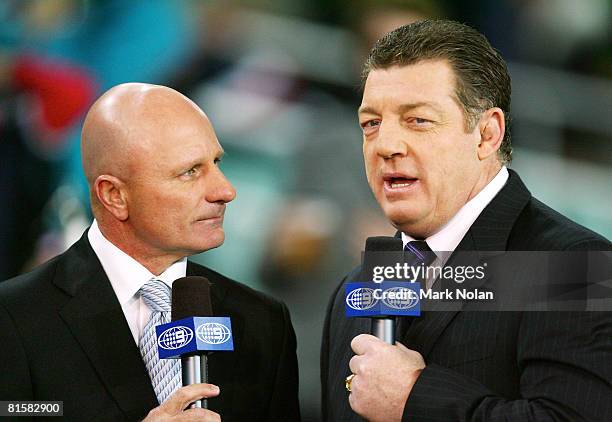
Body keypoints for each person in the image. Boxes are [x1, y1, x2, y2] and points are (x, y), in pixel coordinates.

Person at [321, 20, 612, 422]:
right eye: (371, 123)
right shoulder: (352, 292)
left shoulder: (570, 266)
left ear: (487, 134)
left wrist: (416, 396)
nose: (384, 145)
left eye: (417, 120)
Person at [0, 83, 300, 421]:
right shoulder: (13, 319)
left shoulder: (263, 321)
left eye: (216, 162)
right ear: (115, 196)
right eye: (190, 172)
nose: (225, 190)